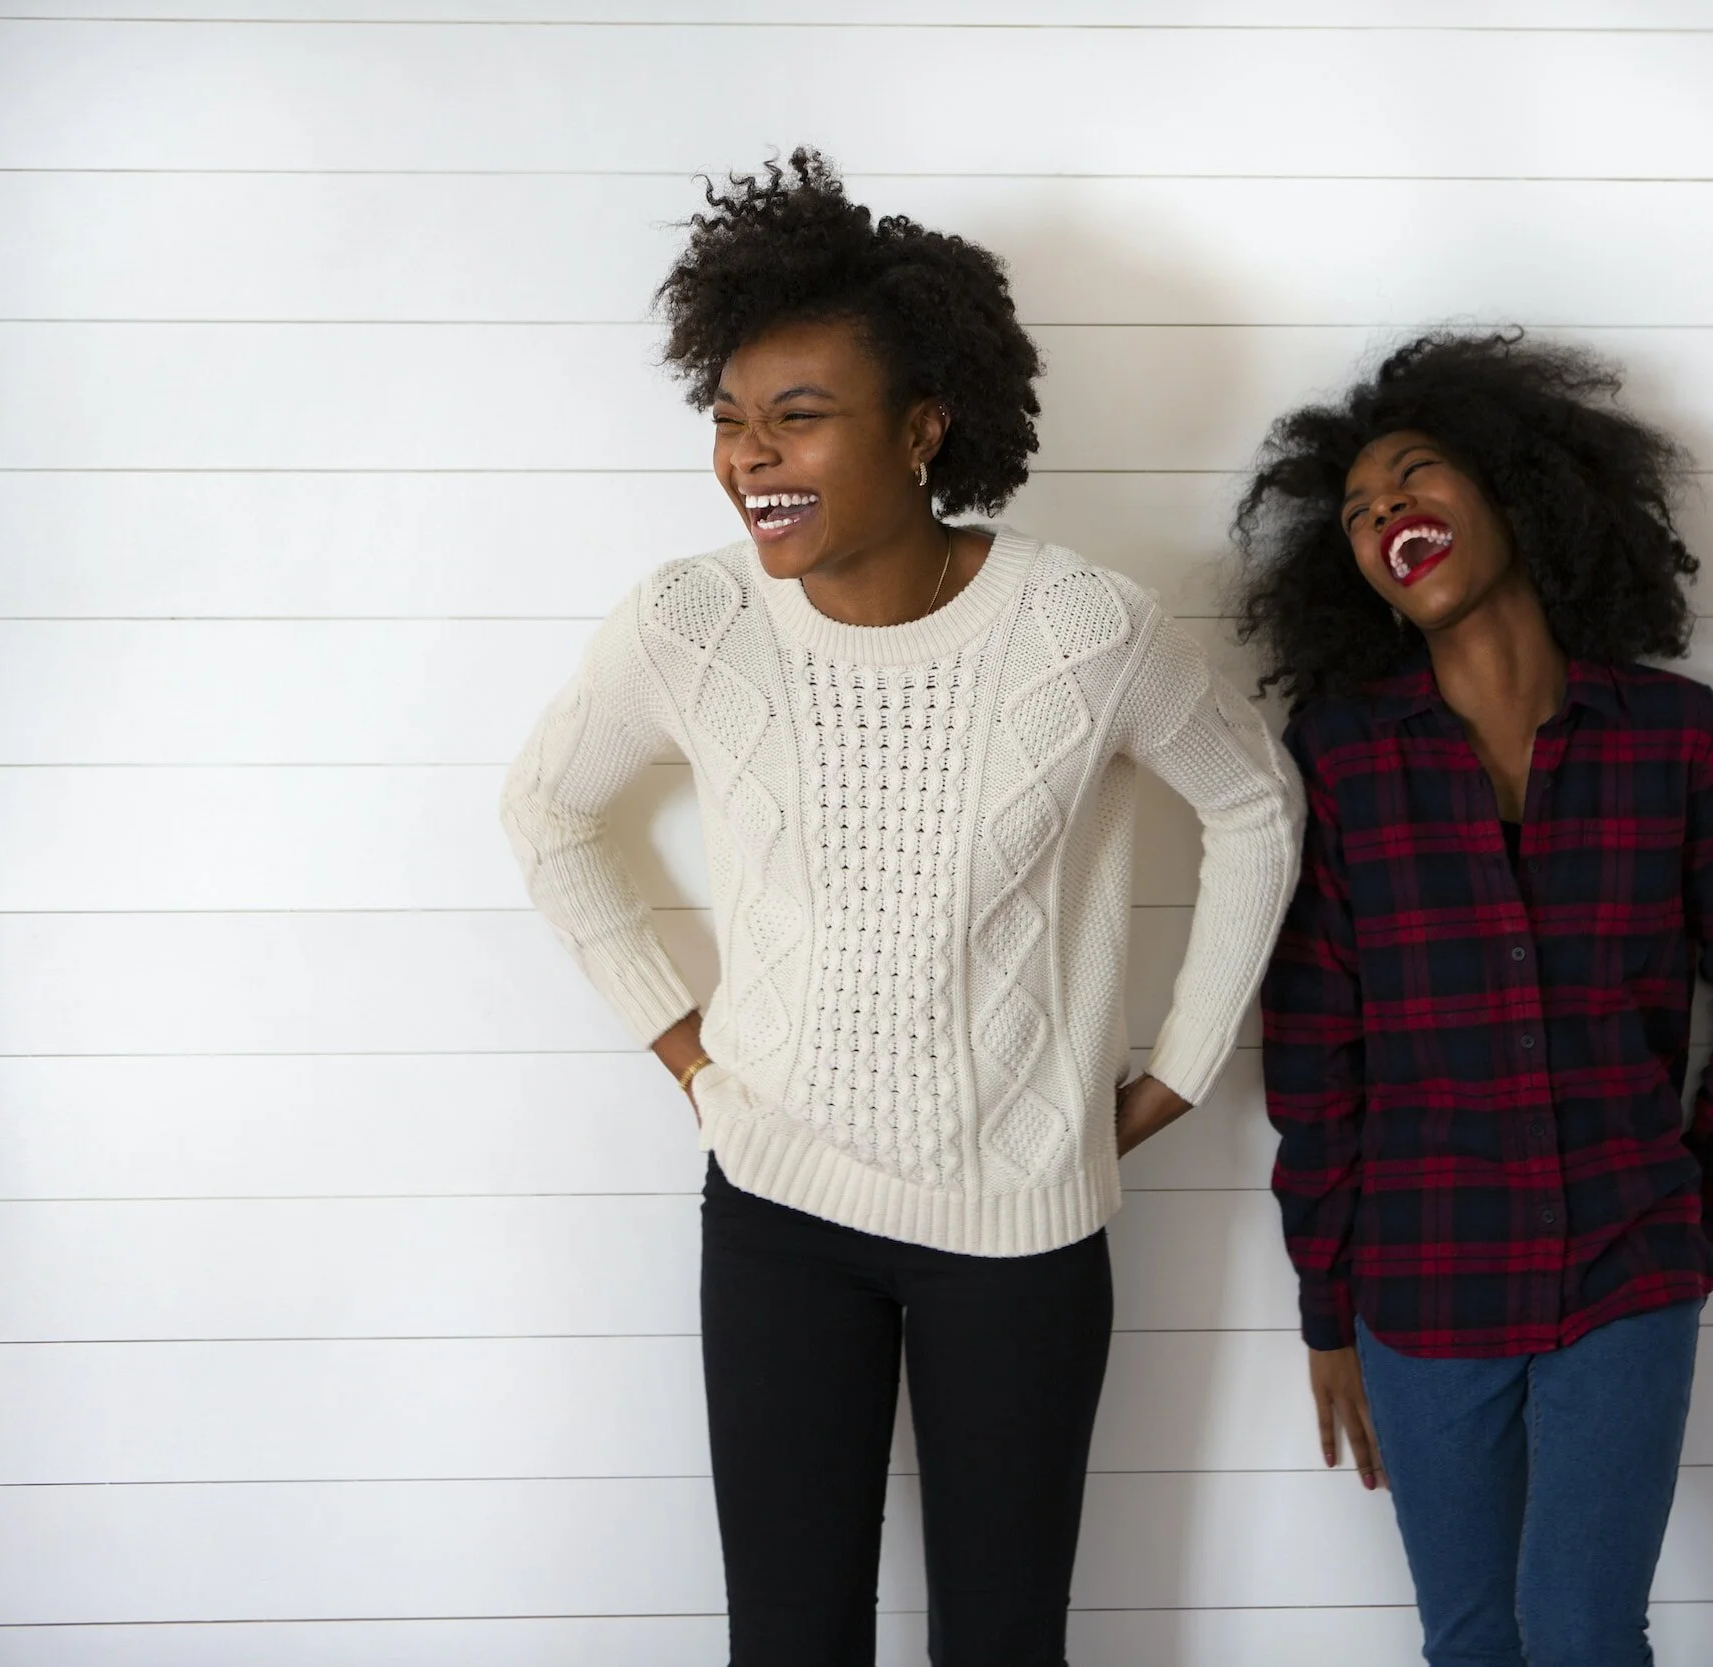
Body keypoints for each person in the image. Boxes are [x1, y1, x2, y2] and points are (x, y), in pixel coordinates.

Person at [500, 149, 1301, 1667]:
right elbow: (545, 808)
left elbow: (1257, 803)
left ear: (925, 426)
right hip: (779, 1209)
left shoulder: (1085, 630)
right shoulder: (693, 619)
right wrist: (685, 1051)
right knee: (790, 1646)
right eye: (730, 419)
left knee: (1003, 1646)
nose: (752, 458)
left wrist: (1182, 1066)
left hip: (1025, 1230)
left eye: (799, 415)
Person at [1235, 332, 1713, 1667]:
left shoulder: (1679, 737)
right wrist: (1329, 1308)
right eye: (1361, 512)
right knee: (1473, 1642)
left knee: (1585, 1631)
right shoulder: (1340, 762)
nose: (1386, 513)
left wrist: (1695, 1222)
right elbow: (1316, 1056)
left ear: (1516, 491)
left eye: (1416, 476)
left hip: (1629, 1265)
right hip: (1423, 1284)